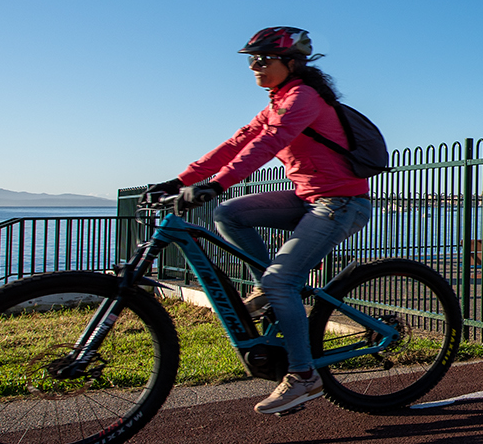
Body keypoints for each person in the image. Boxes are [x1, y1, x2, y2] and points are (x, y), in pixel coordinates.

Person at [147, 27, 375, 416]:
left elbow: (266, 146)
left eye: (263, 59)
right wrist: (181, 180)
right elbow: (237, 142)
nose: (255, 65)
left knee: (280, 279)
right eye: (251, 59)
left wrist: (217, 184)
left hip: (340, 203)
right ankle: (269, 291)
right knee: (228, 214)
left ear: (291, 63)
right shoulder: (278, 100)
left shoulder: (303, 97)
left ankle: (304, 377)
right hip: (307, 198)